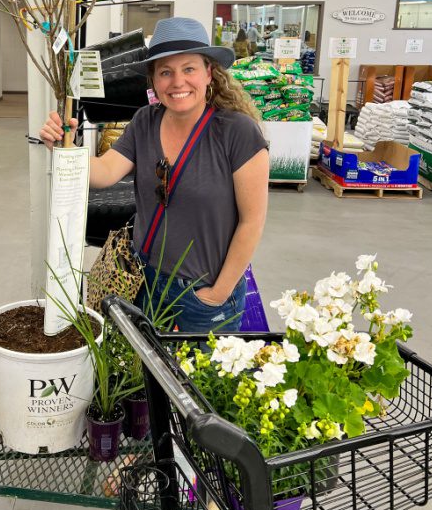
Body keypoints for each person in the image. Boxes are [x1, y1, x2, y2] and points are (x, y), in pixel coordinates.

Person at [40, 17, 269, 333]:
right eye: (165, 72)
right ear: (153, 80)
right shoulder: (145, 121)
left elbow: (252, 221)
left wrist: (218, 293)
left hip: (203, 292)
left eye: (189, 69)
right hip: (143, 282)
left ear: (209, 72)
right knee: (141, 377)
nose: (177, 82)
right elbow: (105, 172)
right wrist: (63, 149)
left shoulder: (237, 132)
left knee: (197, 381)